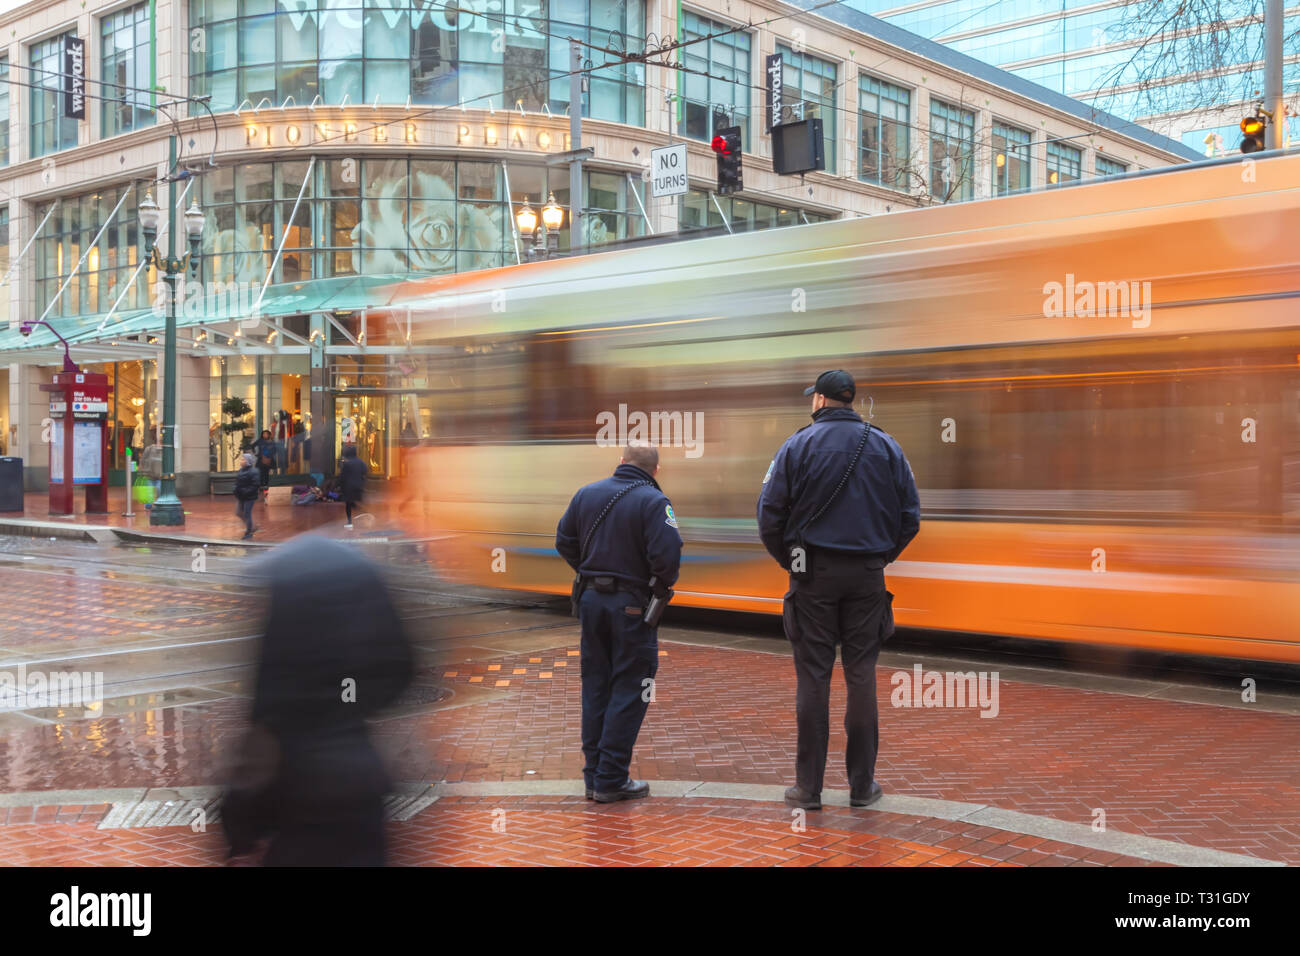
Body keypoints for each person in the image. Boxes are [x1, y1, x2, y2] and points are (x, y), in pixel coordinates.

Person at [756, 370, 920, 812]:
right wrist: (880, 557)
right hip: (867, 575)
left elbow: (769, 515)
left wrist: (793, 561)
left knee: (813, 677)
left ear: (822, 401)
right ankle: (862, 787)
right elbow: (911, 515)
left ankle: (808, 790)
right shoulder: (886, 446)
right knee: (861, 677)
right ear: (850, 401)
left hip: (813, 576)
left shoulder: (797, 446)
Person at [220, 534, 414, 865]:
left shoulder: (287, 654)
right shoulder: (357, 676)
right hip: (361, 793)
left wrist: (239, 834)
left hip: (301, 803)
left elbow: (262, 741)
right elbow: (401, 668)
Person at [555, 443, 683, 804]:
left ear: (621, 462)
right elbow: (668, 556)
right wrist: (655, 585)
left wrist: (589, 570)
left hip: (591, 603)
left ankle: (593, 776)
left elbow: (564, 540)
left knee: (595, 685)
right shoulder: (654, 502)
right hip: (631, 605)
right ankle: (611, 778)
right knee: (631, 686)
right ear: (655, 471)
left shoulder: (586, 494)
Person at [339, 443, 368, 529]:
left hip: (349, 487)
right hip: (358, 486)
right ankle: (363, 514)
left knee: (348, 504)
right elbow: (365, 472)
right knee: (355, 501)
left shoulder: (347, 464)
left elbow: (342, 477)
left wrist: (340, 486)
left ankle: (350, 521)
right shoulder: (361, 462)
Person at [234, 452, 260, 540]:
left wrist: (246, 491)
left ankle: (249, 532)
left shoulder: (254, 471)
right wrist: (236, 490)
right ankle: (252, 526)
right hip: (241, 496)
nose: (241, 461)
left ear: (248, 461)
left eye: (243, 459)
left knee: (246, 513)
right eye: (241, 459)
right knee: (238, 512)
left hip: (249, 497)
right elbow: (238, 482)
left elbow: (255, 485)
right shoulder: (241, 470)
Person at [252, 429, 277, 497]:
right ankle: (261, 485)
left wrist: (269, 455)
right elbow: (253, 445)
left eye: (266, 434)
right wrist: (255, 453)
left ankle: (266, 485)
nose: (265, 435)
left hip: (268, 459)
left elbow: (274, 450)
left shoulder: (271, 442)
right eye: (264, 434)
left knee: (266, 472)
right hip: (261, 459)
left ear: (269, 435)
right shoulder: (260, 441)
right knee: (260, 472)